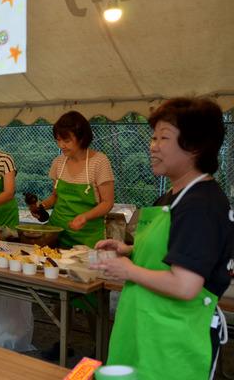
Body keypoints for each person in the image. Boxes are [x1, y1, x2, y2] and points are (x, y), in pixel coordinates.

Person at [94, 98, 233, 380]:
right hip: (147, 325)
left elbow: (185, 285)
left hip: (176, 338)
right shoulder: (171, 196)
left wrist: (129, 270)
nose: (153, 145)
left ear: (194, 146)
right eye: (153, 137)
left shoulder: (202, 204)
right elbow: (178, 249)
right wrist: (130, 249)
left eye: (163, 138)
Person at [31, 111, 115, 248]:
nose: (61, 145)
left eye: (66, 140)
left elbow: (107, 203)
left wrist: (85, 217)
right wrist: (41, 206)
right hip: (57, 233)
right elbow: (55, 197)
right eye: (58, 140)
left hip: (87, 238)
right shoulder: (58, 162)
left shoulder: (99, 161)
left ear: (81, 137)